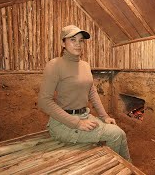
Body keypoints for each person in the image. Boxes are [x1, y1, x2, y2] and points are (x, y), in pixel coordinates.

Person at [38, 25, 131, 161]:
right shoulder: (55, 65)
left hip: (84, 116)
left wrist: (104, 116)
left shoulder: (85, 65)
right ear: (63, 43)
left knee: (120, 133)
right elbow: (44, 101)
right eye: (73, 40)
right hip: (63, 123)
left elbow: (92, 91)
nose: (78, 44)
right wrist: (77, 124)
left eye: (81, 40)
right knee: (116, 134)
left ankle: (127, 168)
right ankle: (112, 168)